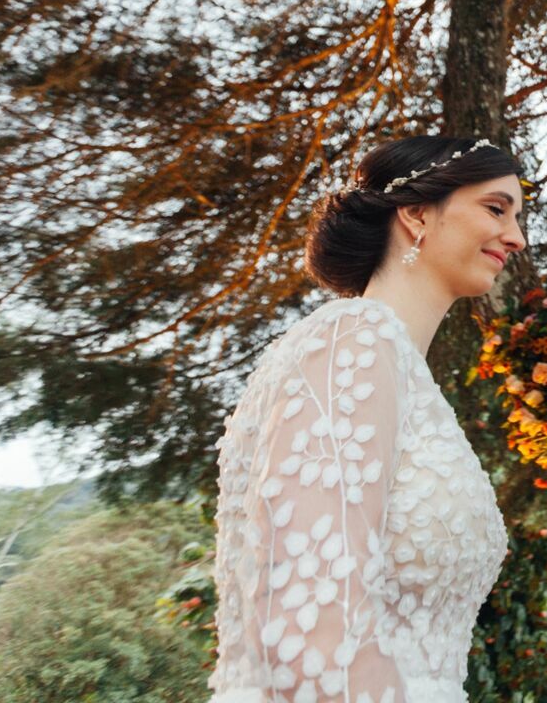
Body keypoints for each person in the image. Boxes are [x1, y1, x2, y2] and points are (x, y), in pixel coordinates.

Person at [209, 136, 526, 703]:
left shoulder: (401, 373)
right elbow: (311, 629)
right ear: (416, 213)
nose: (516, 237)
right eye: (495, 208)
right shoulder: (353, 339)